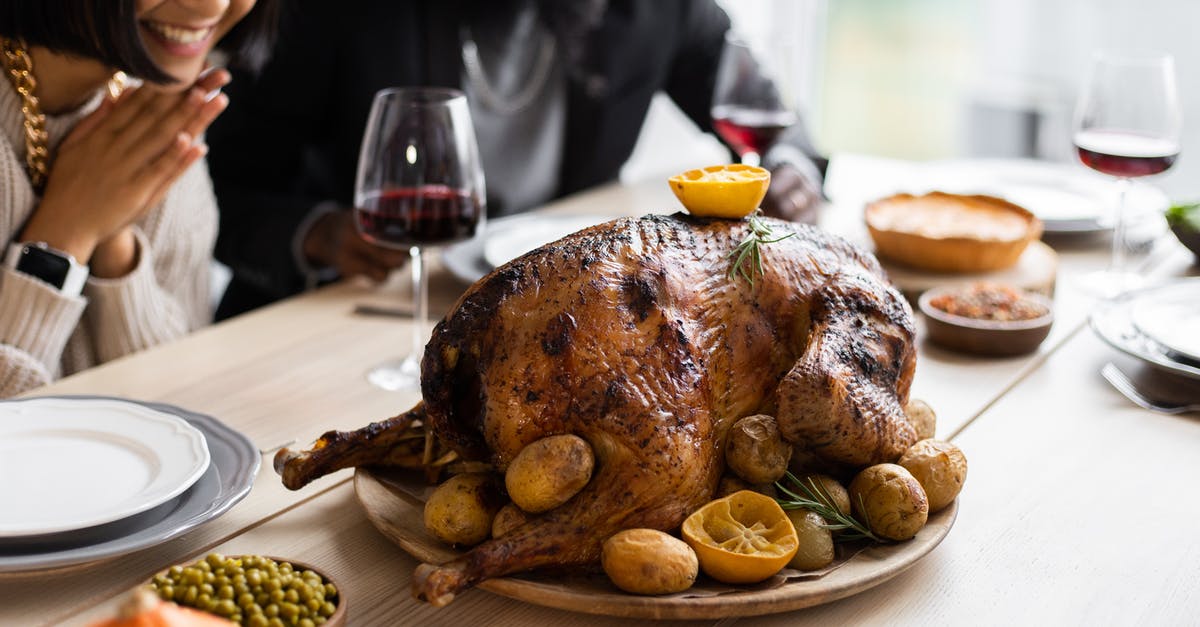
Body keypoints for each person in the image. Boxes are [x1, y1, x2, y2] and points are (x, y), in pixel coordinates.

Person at [208, 0, 828, 320]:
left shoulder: (655, 8)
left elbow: (761, 105)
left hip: (561, 309)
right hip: (365, 310)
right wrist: (318, 234)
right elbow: (221, 182)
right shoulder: (337, 12)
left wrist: (790, 167)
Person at [0, 0, 278, 397]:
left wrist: (115, 241)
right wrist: (67, 232)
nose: (214, 4)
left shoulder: (148, 106)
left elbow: (187, 399)